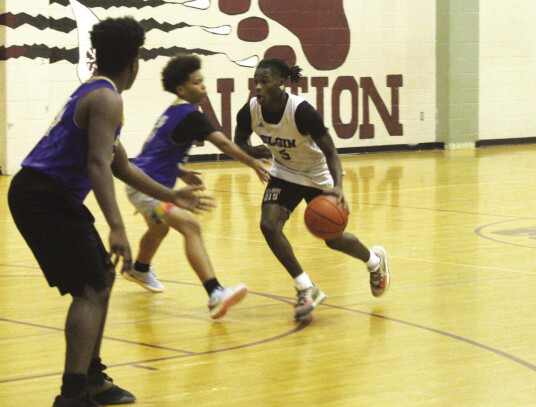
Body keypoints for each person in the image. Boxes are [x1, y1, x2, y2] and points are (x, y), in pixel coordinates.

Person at [8, 18, 213, 407]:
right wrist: (117, 227)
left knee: (100, 277)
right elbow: (98, 166)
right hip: (43, 197)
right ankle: (73, 395)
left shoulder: (96, 91)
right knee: (91, 289)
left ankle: (92, 380)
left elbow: (122, 165)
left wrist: (173, 195)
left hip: (43, 195)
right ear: (134, 64)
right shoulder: (107, 99)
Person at [234, 58, 390, 321]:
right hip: (285, 172)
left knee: (333, 238)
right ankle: (306, 287)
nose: (258, 87)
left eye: (265, 81)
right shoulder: (250, 111)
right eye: (256, 82)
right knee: (268, 225)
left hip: (318, 173)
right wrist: (251, 151)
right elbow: (238, 140)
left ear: (281, 83)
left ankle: (374, 262)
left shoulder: (301, 111)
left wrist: (338, 187)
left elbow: (330, 150)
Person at [121, 53, 271, 319]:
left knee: (159, 228)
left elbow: (150, 148)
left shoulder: (172, 112)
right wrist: (253, 162)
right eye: (197, 83)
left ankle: (140, 269)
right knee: (190, 226)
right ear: (182, 89)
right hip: (147, 187)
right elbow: (224, 144)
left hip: (142, 183)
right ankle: (215, 293)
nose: (204, 87)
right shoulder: (191, 116)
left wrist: (181, 172)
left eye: (203, 81)